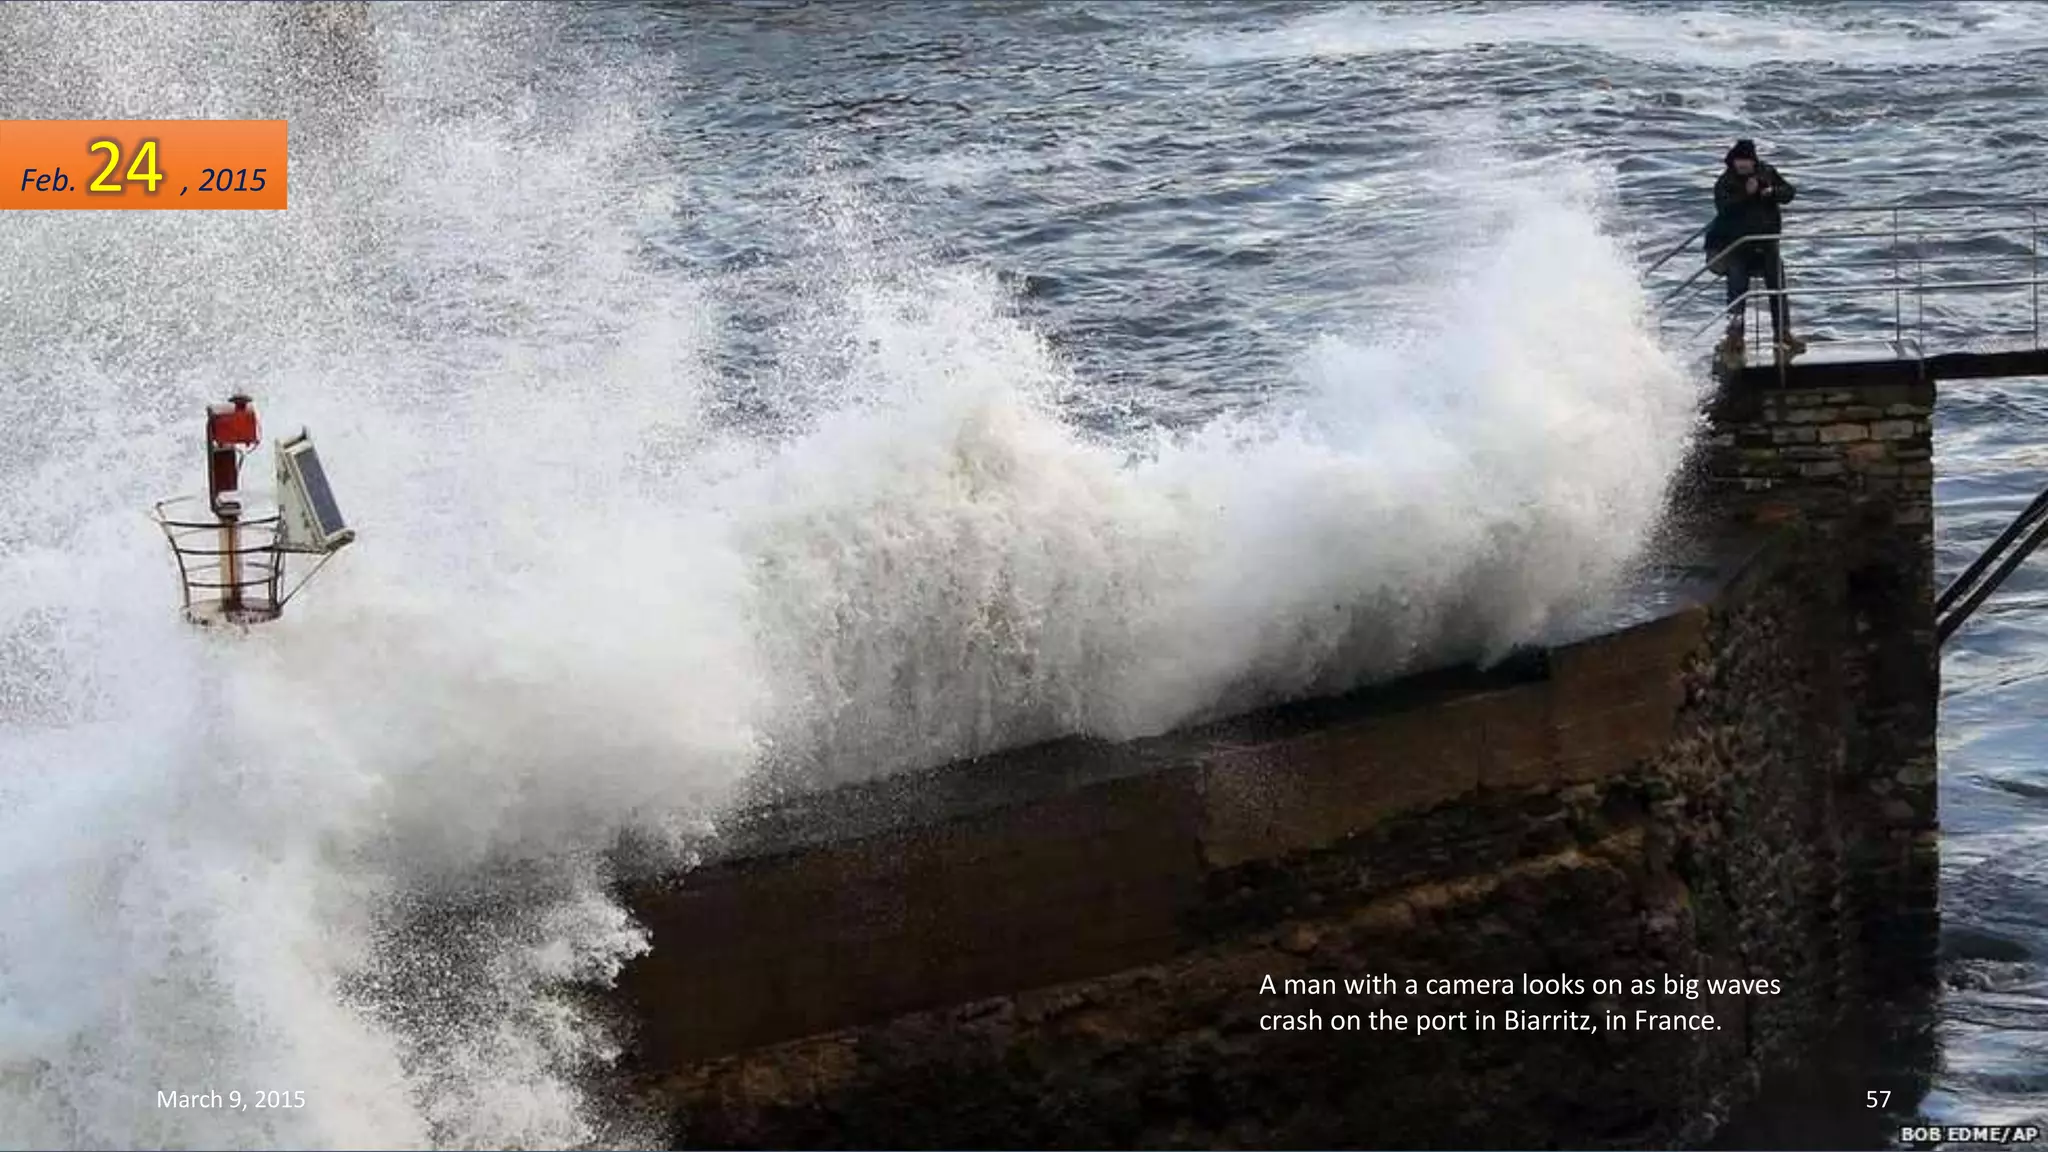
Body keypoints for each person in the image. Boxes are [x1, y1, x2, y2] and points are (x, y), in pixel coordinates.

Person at [1705, 138, 1805, 367]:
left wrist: (1770, 191)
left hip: (1767, 244)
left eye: (1747, 161)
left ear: (1753, 160)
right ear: (1733, 161)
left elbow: (1789, 192)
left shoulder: (1767, 171)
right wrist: (1747, 195)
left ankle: (1783, 333)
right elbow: (1725, 209)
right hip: (1738, 246)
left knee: (1778, 287)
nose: (1743, 165)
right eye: (1739, 161)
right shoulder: (1726, 182)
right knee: (1737, 290)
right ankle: (1735, 335)